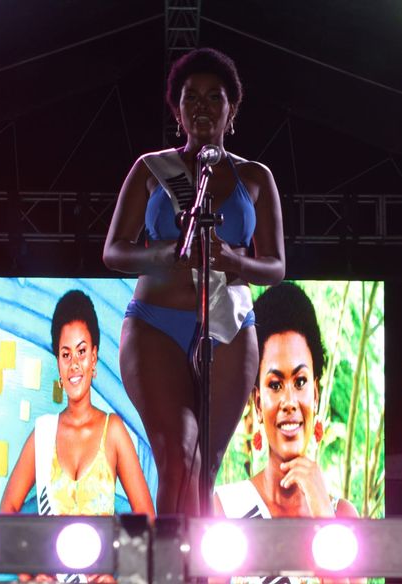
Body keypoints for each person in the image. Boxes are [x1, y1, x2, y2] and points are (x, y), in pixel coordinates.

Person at [103, 48, 285, 516]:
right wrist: (163, 253)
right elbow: (113, 250)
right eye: (192, 97)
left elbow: (275, 266)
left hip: (230, 324)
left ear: (232, 109)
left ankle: (200, 556)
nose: (202, 106)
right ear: (176, 109)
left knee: (206, 467)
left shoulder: (256, 177)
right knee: (180, 456)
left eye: (214, 97)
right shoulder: (151, 168)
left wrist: (233, 260)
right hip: (155, 324)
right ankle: (169, 556)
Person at [215, 282, 362, 583]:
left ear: (315, 394)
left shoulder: (343, 517)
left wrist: (323, 515)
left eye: (300, 381)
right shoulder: (227, 510)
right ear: (258, 403)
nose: (289, 402)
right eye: (275, 384)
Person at [0, 289, 155, 518]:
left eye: (81, 352)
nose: (74, 364)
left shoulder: (113, 430)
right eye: (66, 354)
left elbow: (147, 517)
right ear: (58, 362)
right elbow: (7, 510)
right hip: (51, 544)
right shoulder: (43, 434)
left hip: (102, 544)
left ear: (93, 357)